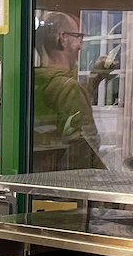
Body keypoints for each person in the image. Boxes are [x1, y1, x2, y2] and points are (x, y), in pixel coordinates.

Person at [32, 11, 116, 172]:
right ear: (63, 39)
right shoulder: (68, 88)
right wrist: (105, 177)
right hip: (70, 179)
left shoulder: (35, 81)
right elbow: (85, 147)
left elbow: (68, 100)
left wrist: (95, 77)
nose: (81, 45)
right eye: (78, 36)